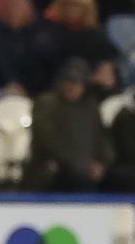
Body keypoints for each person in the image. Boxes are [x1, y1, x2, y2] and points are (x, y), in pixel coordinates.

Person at [24, 58, 112, 192]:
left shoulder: (90, 107)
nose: (72, 87)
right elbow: (48, 141)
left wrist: (102, 163)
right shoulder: (46, 104)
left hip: (87, 166)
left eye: (77, 82)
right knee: (72, 177)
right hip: (53, 164)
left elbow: (101, 139)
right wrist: (80, 163)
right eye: (68, 82)